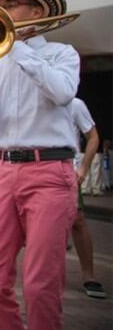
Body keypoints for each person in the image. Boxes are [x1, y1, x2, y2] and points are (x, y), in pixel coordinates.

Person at [0, 0, 78, 330]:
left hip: (50, 171)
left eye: (10, 5)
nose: (1, 12)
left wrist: (17, 46)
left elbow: (62, 93)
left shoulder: (61, 54)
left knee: (40, 285)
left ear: (37, 11)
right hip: (3, 170)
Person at [68, 97, 106, 299]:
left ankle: (88, 275)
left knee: (78, 221)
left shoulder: (75, 104)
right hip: (37, 170)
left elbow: (93, 137)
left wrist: (83, 168)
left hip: (67, 171)